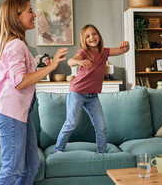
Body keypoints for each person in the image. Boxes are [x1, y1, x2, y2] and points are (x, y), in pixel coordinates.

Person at [0, 0, 68, 184]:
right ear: (16, 17)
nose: (34, 14)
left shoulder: (5, 43)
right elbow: (19, 81)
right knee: (12, 169)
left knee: (31, 165)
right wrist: (51, 66)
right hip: (10, 112)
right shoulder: (15, 44)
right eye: (30, 11)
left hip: (18, 113)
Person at [55, 24, 130, 153]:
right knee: (71, 123)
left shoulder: (104, 52)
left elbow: (121, 50)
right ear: (84, 40)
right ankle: (58, 150)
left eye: (94, 34)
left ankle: (102, 153)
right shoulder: (83, 52)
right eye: (87, 36)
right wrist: (79, 62)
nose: (92, 37)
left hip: (92, 96)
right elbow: (70, 61)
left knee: (101, 126)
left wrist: (126, 47)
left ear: (99, 36)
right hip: (77, 93)